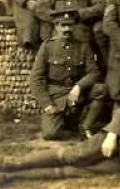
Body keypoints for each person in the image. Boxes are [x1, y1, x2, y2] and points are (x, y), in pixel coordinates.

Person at [30, 8, 106, 140]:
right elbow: (36, 78)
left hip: (78, 94)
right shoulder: (47, 47)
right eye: (62, 25)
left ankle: (85, 125)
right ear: (56, 26)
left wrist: (78, 87)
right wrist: (47, 104)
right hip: (56, 96)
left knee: (101, 89)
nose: (67, 29)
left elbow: (94, 72)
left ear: (74, 26)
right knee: (50, 134)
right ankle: (68, 121)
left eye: (70, 25)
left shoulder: (83, 46)